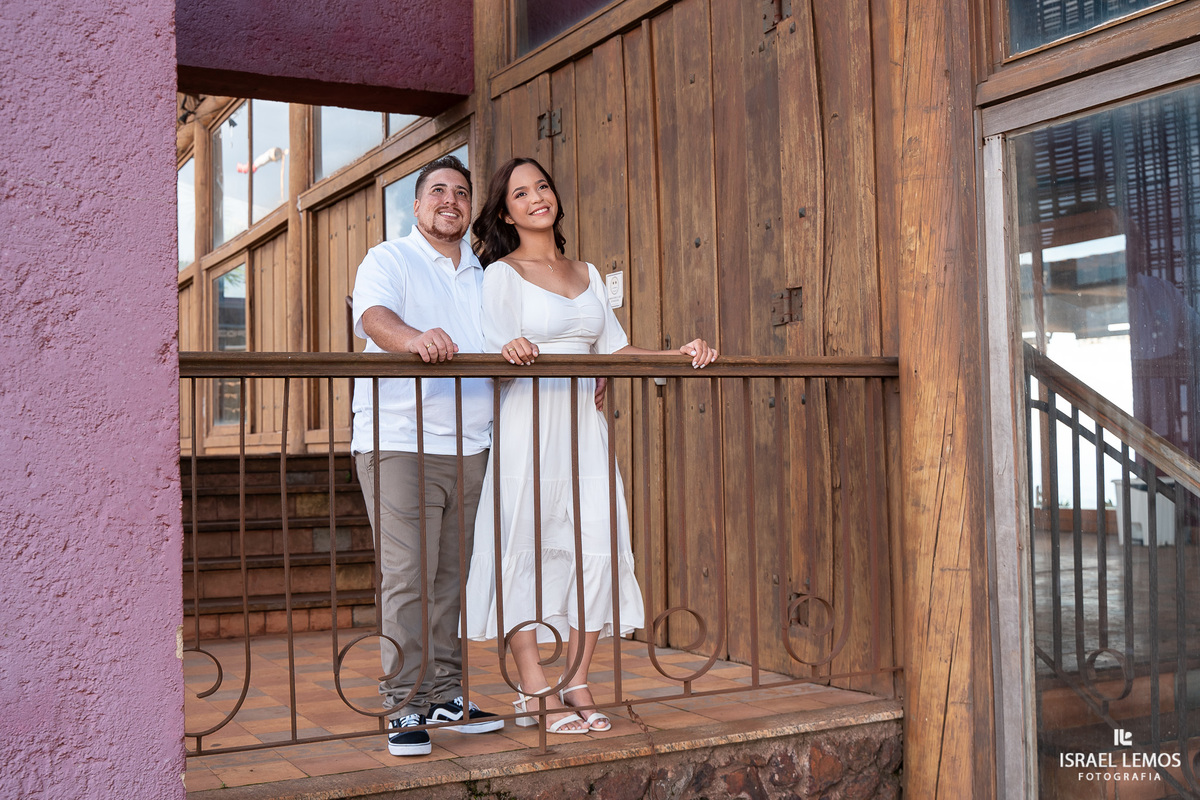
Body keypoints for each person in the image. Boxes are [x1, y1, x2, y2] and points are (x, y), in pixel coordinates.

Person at [463, 157, 717, 734]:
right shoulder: (500, 274)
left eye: (543, 187)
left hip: (583, 427)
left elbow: (614, 351)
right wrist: (512, 351)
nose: (536, 198)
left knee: (596, 545)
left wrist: (674, 355)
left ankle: (576, 678)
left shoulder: (589, 271)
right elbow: (492, 355)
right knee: (522, 546)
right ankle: (534, 690)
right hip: (529, 425)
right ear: (506, 211)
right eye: (521, 193)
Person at [350, 154, 504, 757]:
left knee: (449, 580)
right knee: (408, 576)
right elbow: (373, 316)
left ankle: (443, 692)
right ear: (416, 206)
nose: (450, 200)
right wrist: (414, 339)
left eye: (461, 192)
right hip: (399, 442)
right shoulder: (389, 258)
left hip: (470, 444)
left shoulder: (485, 274)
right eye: (437, 190)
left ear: (470, 207)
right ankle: (403, 705)